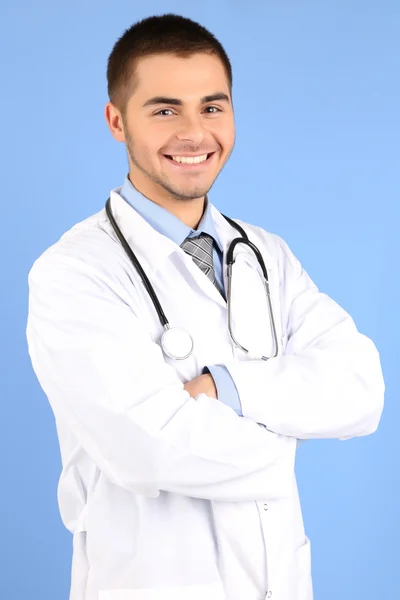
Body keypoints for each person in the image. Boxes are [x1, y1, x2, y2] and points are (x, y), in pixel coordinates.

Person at [26, 13, 385, 600]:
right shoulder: (74, 273)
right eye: (165, 110)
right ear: (117, 121)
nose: (194, 133)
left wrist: (225, 389)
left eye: (212, 108)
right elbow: (147, 450)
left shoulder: (268, 255)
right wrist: (294, 427)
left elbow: (362, 389)